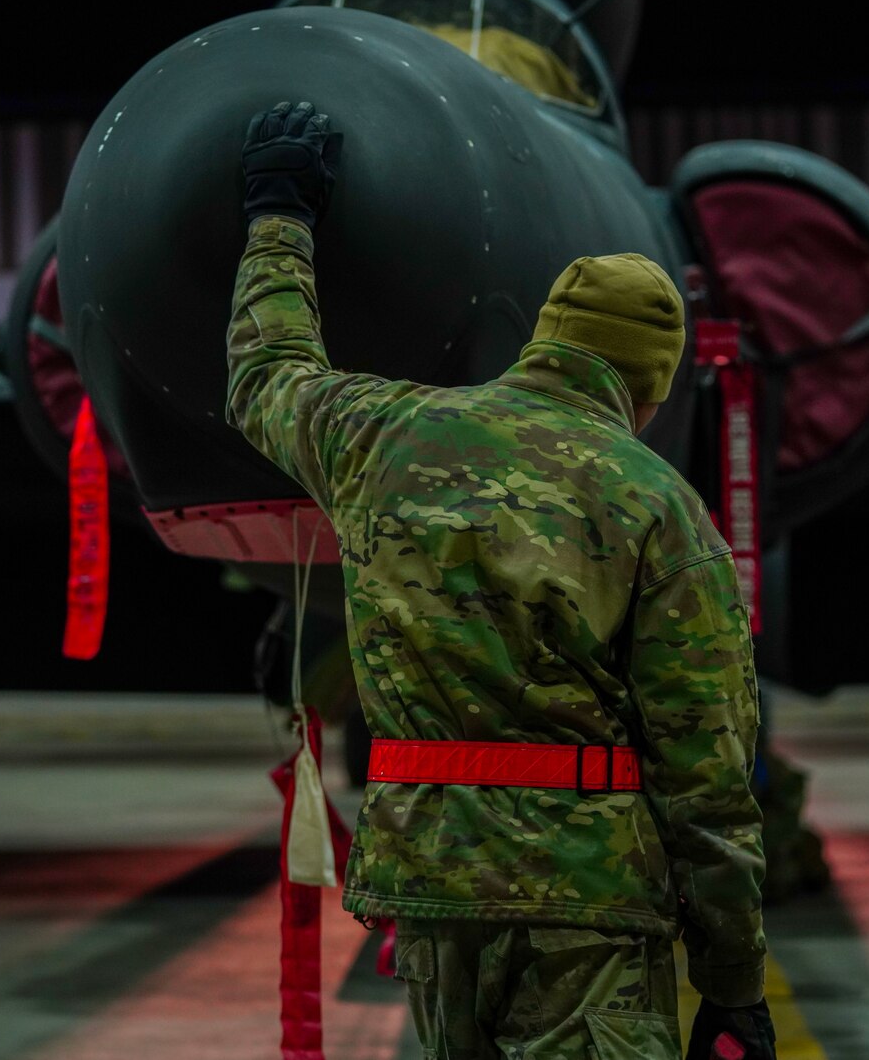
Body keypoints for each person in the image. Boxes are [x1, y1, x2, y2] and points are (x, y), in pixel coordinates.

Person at [225, 101, 774, 1059]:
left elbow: (264, 374)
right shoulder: (660, 506)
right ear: (649, 387)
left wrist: (280, 214)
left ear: (545, 338)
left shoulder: (380, 435)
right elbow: (709, 775)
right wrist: (731, 983)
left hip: (432, 891)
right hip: (588, 908)